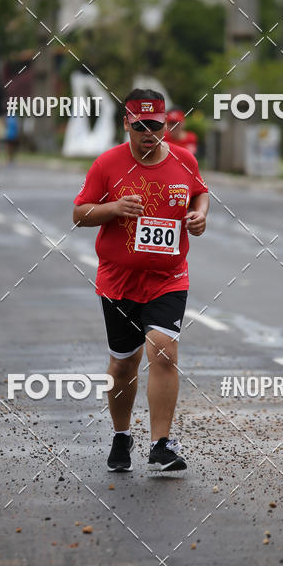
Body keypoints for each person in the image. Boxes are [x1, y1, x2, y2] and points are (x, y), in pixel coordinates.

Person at [73, 89, 209, 473]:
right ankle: (121, 435)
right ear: (126, 125)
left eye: (157, 126)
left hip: (168, 277)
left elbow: (200, 194)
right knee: (123, 365)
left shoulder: (184, 161)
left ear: (166, 124)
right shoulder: (107, 164)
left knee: (163, 350)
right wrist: (113, 208)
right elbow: (78, 214)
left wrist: (200, 217)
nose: (150, 133)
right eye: (141, 126)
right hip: (119, 281)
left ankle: (161, 444)